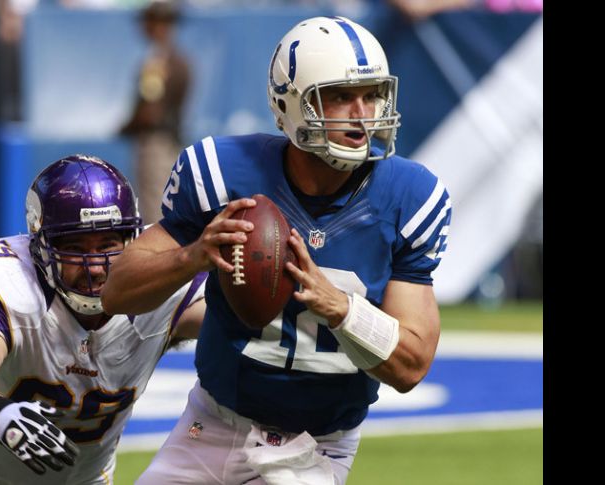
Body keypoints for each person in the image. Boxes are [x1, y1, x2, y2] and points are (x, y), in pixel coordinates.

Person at [102, 15, 452, 485]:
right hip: (212, 425)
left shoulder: (409, 196)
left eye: (371, 95)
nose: (362, 113)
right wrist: (193, 257)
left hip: (317, 446)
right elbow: (116, 292)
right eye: (341, 96)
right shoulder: (224, 174)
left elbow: (412, 366)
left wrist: (342, 310)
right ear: (292, 102)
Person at [0, 154, 207, 484]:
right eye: (76, 248)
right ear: (41, 248)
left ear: (131, 241)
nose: (94, 267)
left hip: (83, 478)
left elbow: (244, 328)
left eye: (108, 245)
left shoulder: (162, 284)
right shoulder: (6, 282)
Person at [119, 0, 191, 225]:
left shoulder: (157, 61)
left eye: (148, 21)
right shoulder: (180, 60)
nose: (144, 26)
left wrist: (126, 127)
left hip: (154, 145)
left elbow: (150, 111)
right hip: (171, 141)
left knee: (153, 213)